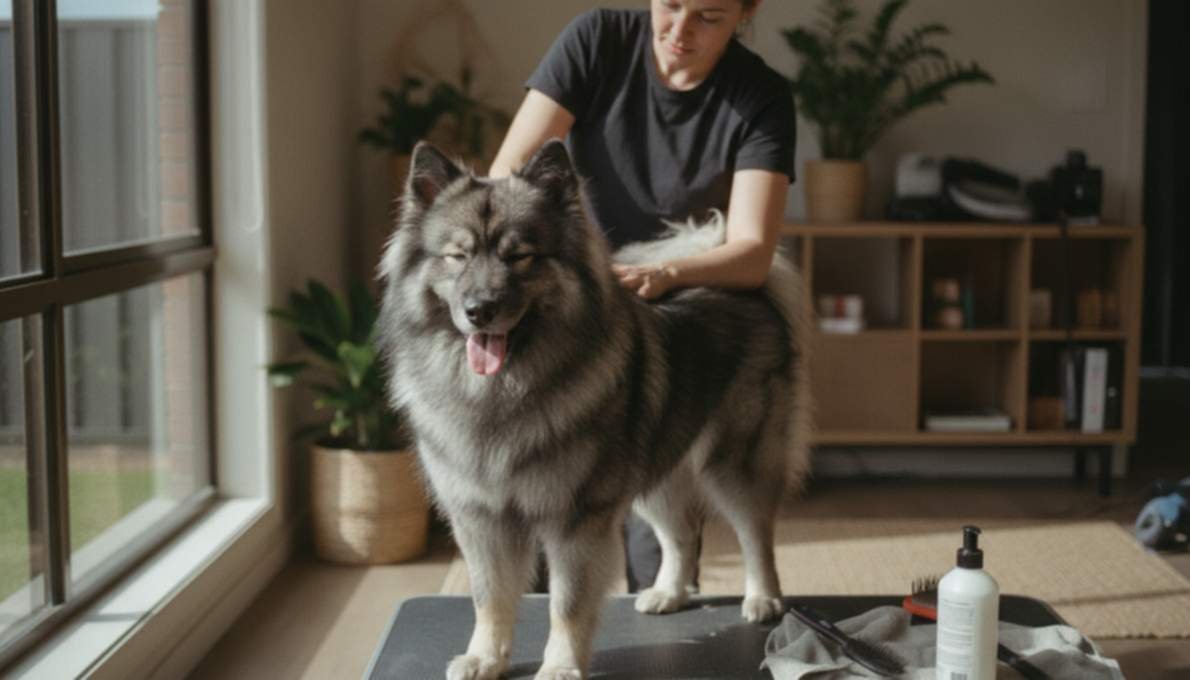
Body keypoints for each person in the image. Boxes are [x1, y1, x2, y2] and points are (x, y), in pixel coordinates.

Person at [487, 0, 796, 592]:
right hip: (579, 292)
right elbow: (509, 175)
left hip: (673, 308)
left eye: (708, 16)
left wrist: (666, 273)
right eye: (670, 4)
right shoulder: (596, 39)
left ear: (745, 13)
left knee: (658, 530)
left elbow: (753, 253)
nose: (679, 30)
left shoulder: (762, 96)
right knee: (541, 495)